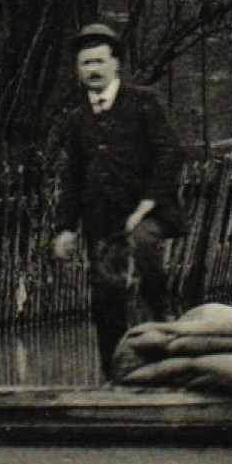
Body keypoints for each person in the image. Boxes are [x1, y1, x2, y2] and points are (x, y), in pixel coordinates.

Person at [50, 24, 188, 378]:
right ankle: (115, 378)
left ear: (115, 65)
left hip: (150, 213)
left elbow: (170, 153)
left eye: (99, 61)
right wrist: (66, 228)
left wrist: (146, 205)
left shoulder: (144, 102)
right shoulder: (78, 117)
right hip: (103, 222)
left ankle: (168, 348)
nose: (93, 70)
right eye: (85, 64)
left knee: (145, 256)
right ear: (78, 71)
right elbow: (74, 177)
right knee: (106, 300)